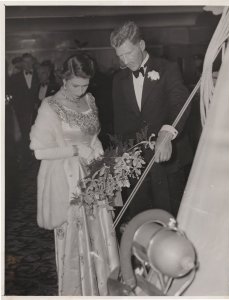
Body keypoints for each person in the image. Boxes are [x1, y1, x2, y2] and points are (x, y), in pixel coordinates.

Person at [29, 54, 119, 296]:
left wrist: (101, 157)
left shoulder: (89, 99)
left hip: (92, 177)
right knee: (75, 242)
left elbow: (94, 135)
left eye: (86, 84)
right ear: (64, 79)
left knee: (99, 235)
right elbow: (39, 151)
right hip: (67, 182)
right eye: (76, 84)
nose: (81, 90)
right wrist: (76, 150)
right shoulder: (50, 106)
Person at [110, 21, 193, 220]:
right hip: (136, 164)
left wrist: (167, 132)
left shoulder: (168, 68)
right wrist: (120, 157)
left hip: (168, 161)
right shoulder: (118, 80)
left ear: (142, 45)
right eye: (119, 56)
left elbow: (180, 102)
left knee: (170, 218)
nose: (125, 61)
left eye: (128, 53)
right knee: (140, 218)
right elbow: (120, 123)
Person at [10, 53, 39, 165]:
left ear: (33, 62)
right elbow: (12, 95)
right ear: (22, 63)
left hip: (36, 111)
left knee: (35, 134)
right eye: (25, 62)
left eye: (29, 61)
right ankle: (25, 158)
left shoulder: (39, 75)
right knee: (23, 134)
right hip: (20, 112)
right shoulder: (14, 78)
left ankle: (36, 157)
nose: (27, 64)